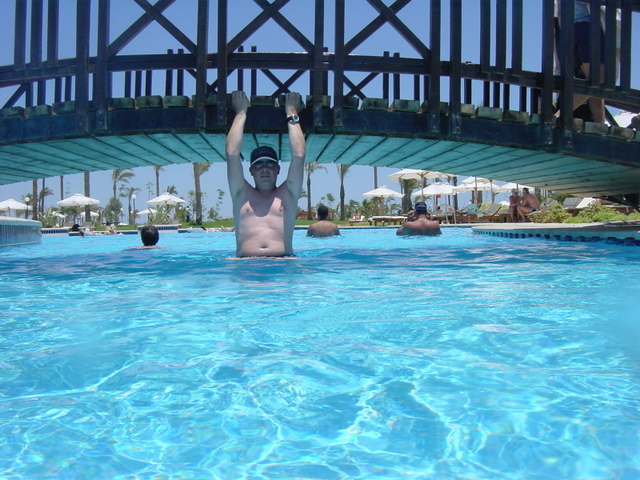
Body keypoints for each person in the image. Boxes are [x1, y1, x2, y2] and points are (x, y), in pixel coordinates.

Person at [226, 90, 306, 257]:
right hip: (246, 264)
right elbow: (232, 155)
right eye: (258, 164)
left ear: (278, 169)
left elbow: (299, 156)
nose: (264, 168)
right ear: (251, 170)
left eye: (270, 163)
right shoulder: (241, 193)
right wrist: (241, 113)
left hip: (283, 263)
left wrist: (291, 113)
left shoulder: (288, 194)